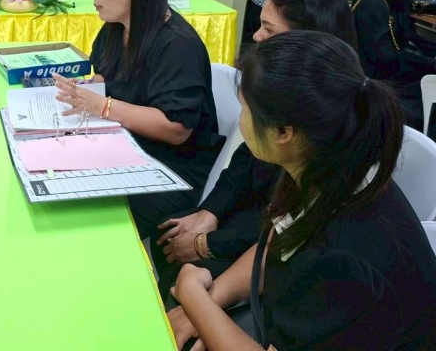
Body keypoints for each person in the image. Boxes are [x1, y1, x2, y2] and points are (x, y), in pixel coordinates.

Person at [169, 31, 436, 351]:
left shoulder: (342, 263)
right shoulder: (328, 165)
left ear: (284, 132)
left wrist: (193, 296)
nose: (241, 120)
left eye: (244, 108)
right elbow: (280, 240)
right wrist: (209, 305)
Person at [152, 0, 356, 301]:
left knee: (181, 274)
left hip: (276, 245)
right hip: (254, 218)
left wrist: (207, 244)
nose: (257, 36)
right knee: (169, 234)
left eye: (269, 30)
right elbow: (245, 160)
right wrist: (209, 213)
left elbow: (289, 221)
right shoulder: (280, 90)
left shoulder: (326, 114)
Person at [52, 0, 221, 239]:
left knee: (80, 211)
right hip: (127, 144)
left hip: (172, 168)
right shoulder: (115, 27)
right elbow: (108, 77)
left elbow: (176, 128)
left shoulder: (177, 44)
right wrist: (86, 88)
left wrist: (103, 105)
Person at [352, 0, 435, 130]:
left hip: (394, 70)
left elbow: (409, 37)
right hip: (380, 83)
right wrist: (430, 64)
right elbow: (386, 60)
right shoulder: (372, 3)